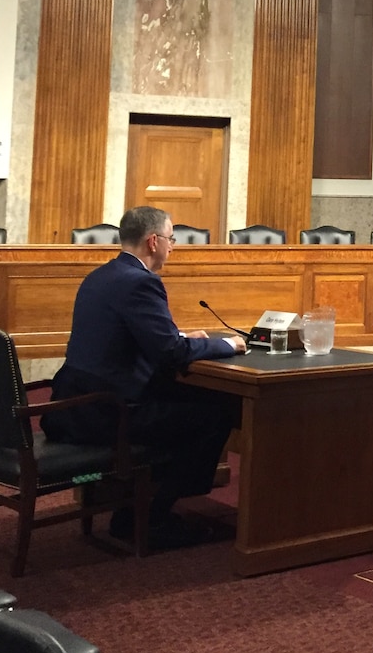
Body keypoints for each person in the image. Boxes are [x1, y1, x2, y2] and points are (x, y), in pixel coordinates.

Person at [42, 206, 245, 549]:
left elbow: (133, 337)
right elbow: (170, 354)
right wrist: (227, 343)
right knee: (216, 413)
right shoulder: (141, 282)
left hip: (74, 404)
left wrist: (181, 338)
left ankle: (141, 502)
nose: (172, 247)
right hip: (109, 413)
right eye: (171, 239)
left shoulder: (102, 275)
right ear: (153, 241)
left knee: (197, 400)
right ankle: (152, 518)